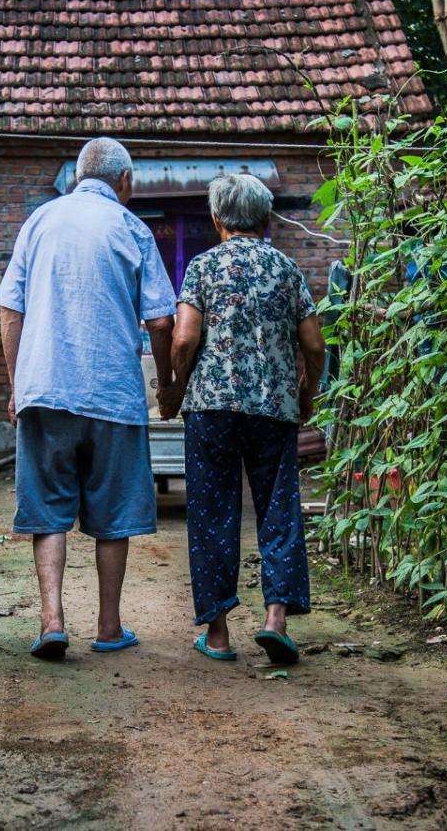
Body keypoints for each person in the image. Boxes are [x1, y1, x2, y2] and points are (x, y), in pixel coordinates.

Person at [0, 137, 178, 660]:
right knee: (113, 514)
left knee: (47, 510)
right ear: (126, 182)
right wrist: (164, 385)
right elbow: (162, 320)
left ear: (78, 176)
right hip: (112, 393)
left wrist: (17, 384)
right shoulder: (132, 228)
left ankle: (52, 621)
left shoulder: (39, 222)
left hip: (44, 389)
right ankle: (107, 626)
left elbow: (11, 312)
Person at [160, 174, 325, 665]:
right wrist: (306, 393)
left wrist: (175, 386)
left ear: (217, 220)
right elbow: (314, 345)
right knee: (278, 507)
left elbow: (184, 339)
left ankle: (217, 635)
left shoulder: (204, 267)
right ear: (265, 218)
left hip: (212, 410)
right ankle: (275, 620)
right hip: (273, 409)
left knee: (212, 513)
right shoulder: (287, 269)